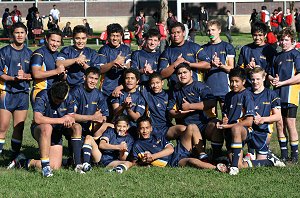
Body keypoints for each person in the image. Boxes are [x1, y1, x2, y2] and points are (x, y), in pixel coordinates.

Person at [15, 82, 75, 177]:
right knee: (47, 127)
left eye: (60, 101)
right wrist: (61, 120)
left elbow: (71, 117)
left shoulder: (69, 97)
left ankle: (23, 161)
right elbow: (37, 118)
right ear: (51, 92)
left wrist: (69, 119)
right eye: (55, 100)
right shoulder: (42, 95)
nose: (57, 102)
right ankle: (45, 167)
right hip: (40, 129)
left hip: (56, 133)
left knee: (55, 166)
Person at [167, 63, 224, 160]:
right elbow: (170, 111)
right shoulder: (175, 90)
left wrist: (190, 106)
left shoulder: (200, 86)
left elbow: (211, 103)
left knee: (216, 124)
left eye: (185, 72)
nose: (182, 75)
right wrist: (178, 114)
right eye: (179, 73)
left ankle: (217, 155)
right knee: (193, 155)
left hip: (204, 124)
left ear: (191, 73)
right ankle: (202, 155)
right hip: (188, 128)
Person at [132, 117, 227, 172]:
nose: (145, 131)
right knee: (191, 161)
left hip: (176, 151)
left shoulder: (157, 136)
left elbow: (170, 149)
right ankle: (217, 168)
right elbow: (134, 163)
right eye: (142, 128)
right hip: (173, 161)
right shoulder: (138, 145)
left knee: (192, 127)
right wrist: (144, 162)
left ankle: (203, 156)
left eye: (147, 128)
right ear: (138, 130)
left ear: (151, 128)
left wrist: (152, 156)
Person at [0, 22, 32, 159]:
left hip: (23, 93)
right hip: (7, 93)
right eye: (17, 32)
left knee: (19, 127)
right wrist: (13, 79)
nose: (19, 35)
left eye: (22, 33)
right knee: (2, 127)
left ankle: (14, 156)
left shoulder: (30, 53)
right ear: (12, 35)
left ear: (26, 35)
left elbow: (34, 74)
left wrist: (25, 76)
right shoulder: (4, 51)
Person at [269, 28, 300, 163]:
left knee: (290, 123)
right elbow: (269, 74)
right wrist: (273, 80)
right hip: (277, 95)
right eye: (281, 39)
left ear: (292, 41)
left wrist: (283, 82)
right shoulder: (276, 56)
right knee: (279, 124)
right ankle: (283, 154)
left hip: (290, 95)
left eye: (286, 40)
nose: (283, 42)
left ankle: (294, 155)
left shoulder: (296, 55)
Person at [216, 67, 255, 175]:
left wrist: (228, 126)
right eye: (231, 81)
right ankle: (265, 161)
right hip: (230, 131)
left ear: (243, 81)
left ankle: (233, 167)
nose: (233, 84)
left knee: (236, 128)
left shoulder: (247, 95)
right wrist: (224, 119)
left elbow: (249, 122)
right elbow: (225, 112)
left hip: (243, 131)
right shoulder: (228, 95)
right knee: (239, 164)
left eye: (237, 81)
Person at [69, 67, 109, 169]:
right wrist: (92, 117)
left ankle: (105, 158)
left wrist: (101, 119)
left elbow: (104, 116)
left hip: (90, 129)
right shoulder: (76, 91)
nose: (93, 81)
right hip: (71, 127)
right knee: (77, 127)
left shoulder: (99, 95)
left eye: (96, 79)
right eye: (91, 78)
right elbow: (71, 116)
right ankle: (77, 165)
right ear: (84, 78)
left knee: (108, 125)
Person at [245, 67, 282, 161]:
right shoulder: (246, 93)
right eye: (253, 79)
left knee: (260, 162)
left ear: (264, 78)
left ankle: (270, 159)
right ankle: (248, 153)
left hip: (263, 131)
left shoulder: (271, 94)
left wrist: (262, 119)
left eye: (258, 79)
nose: (255, 82)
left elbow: (278, 116)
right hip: (248, 129)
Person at [159, 22, 210, 88]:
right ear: (170, 34)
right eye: (173, 33)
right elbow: (162, 74)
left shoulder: (194, 47)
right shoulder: (166, 52)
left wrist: (190, 64)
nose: (176, 35)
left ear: (184, 33)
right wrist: (175, 64)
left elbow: (208, 64)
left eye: (178, 32)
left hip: (195, 90)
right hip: (176, 91)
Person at [202, 19, 235, 117]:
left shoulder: (227, 47)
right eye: (208, 30)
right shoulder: (203, 49)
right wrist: (210, 64)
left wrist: (221, 65)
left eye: (213, 30)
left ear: (219, 31)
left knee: (226, 117)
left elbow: (231, 69)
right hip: (209, 88)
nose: (210, 32)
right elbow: (201, 69)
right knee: (211, 120)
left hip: (224, 88)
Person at [56, 25, 101, 89]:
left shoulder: (92, 53)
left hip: (87, 89)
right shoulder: (66, 50)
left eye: (83, 38)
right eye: (77, 38)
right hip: (70, 88)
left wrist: (83, 64)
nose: (80, 41)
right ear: (73, 38)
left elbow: (96, 73)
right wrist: (75, 60)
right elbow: (58, 63)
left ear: (87, 38)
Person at [98, 23, 131, 106]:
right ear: (108, 36)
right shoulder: (103, 49)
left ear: (121, 36)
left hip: (123, 87)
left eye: (117, 35)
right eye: (113, 35)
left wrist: (124, 65)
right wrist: (113, 63)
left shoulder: (126, 49)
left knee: (120, 115)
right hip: (106, 88)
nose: (115, 38)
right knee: (106, 116)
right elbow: (101, 69)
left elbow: (130, 67)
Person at [237, 21, 277, 86]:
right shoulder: (245, 49)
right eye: (255, 35)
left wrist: (259, 70)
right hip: (247, 87)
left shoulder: (271, 51)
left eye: (260, 35)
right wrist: (247, 69)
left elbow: (271, 73)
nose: (257, 38)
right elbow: (238, 71)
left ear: (265, 35)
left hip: (263, 88)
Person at [30, 28, 64, 104]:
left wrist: (63, 75)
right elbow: (36, 74)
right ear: (46, 39)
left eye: (58, 41)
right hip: (40, 93)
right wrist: (56, 71)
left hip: (55, 94)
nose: (55, 44)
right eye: (53, 40)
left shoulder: (59, 55)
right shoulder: (39, 53)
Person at [111, 68, 145, 138]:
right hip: (117, 127)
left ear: (137, 81)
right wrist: (123, 105)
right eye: (127, 78)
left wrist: (128, 108)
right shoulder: (118, 94)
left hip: (133, 128)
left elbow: (137, 118)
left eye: (132, 78)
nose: (129, 80)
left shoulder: (141, 97)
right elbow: (115, 112)